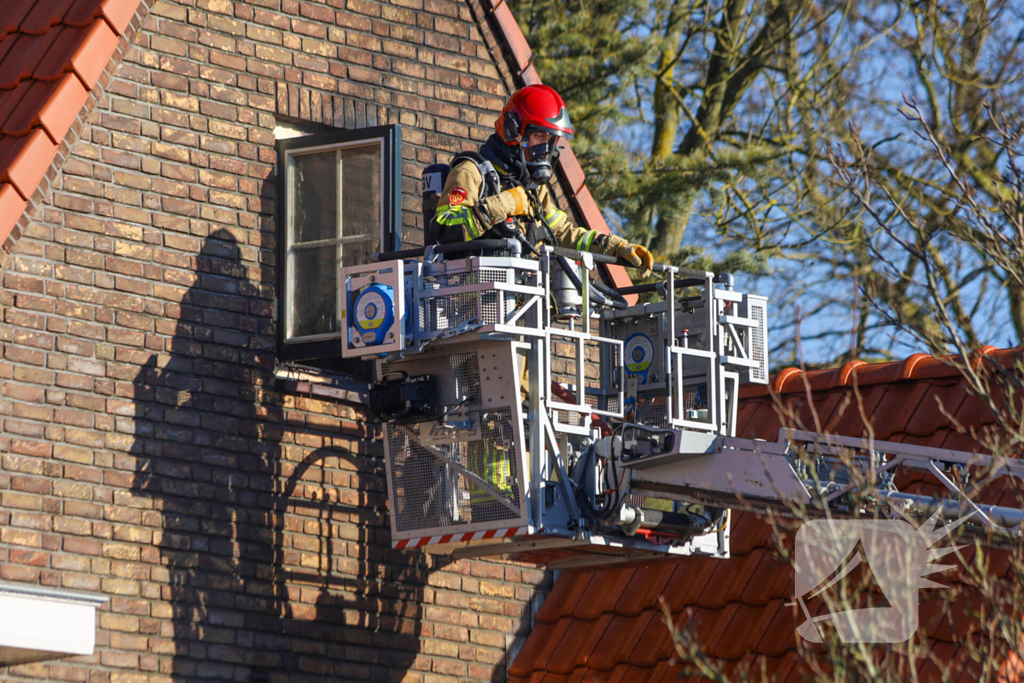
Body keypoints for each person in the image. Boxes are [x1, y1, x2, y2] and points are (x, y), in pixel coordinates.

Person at [431, 85, 653, 277]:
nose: (545, 149)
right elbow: (443, 232)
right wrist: (504, 203)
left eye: (550, 140)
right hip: (473, 304)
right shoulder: (471, 173)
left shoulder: (533, 189)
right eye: (539, 137)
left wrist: (615, 246)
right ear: (513, 132)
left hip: (523, 305)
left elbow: (562, 233)